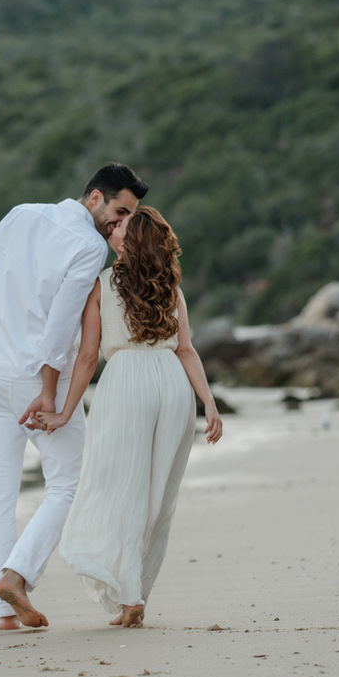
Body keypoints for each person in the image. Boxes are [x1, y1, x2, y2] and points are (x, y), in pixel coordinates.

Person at [0, 163, 148, 630]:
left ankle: (4, 613)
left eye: (128, 215)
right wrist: (50, 394)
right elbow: (60, 327)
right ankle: (18, 575)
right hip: (39, 383)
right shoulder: (89, 245)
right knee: (71, 485)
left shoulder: (18, 214)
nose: (119, 224)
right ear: (94, 197)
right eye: (118, 211)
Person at [35, 206, 223, 628]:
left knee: (116, 487)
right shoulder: (171, 288)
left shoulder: (101, 284)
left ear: (130, 240)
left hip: (126, 385)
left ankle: (130, 594)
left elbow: (86, 356)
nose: (113, 228)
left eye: (120, 226)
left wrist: (66, 411)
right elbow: (186, 350)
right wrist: (207, 402)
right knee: (157, 495)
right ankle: (134, 596)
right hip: (174, 388)